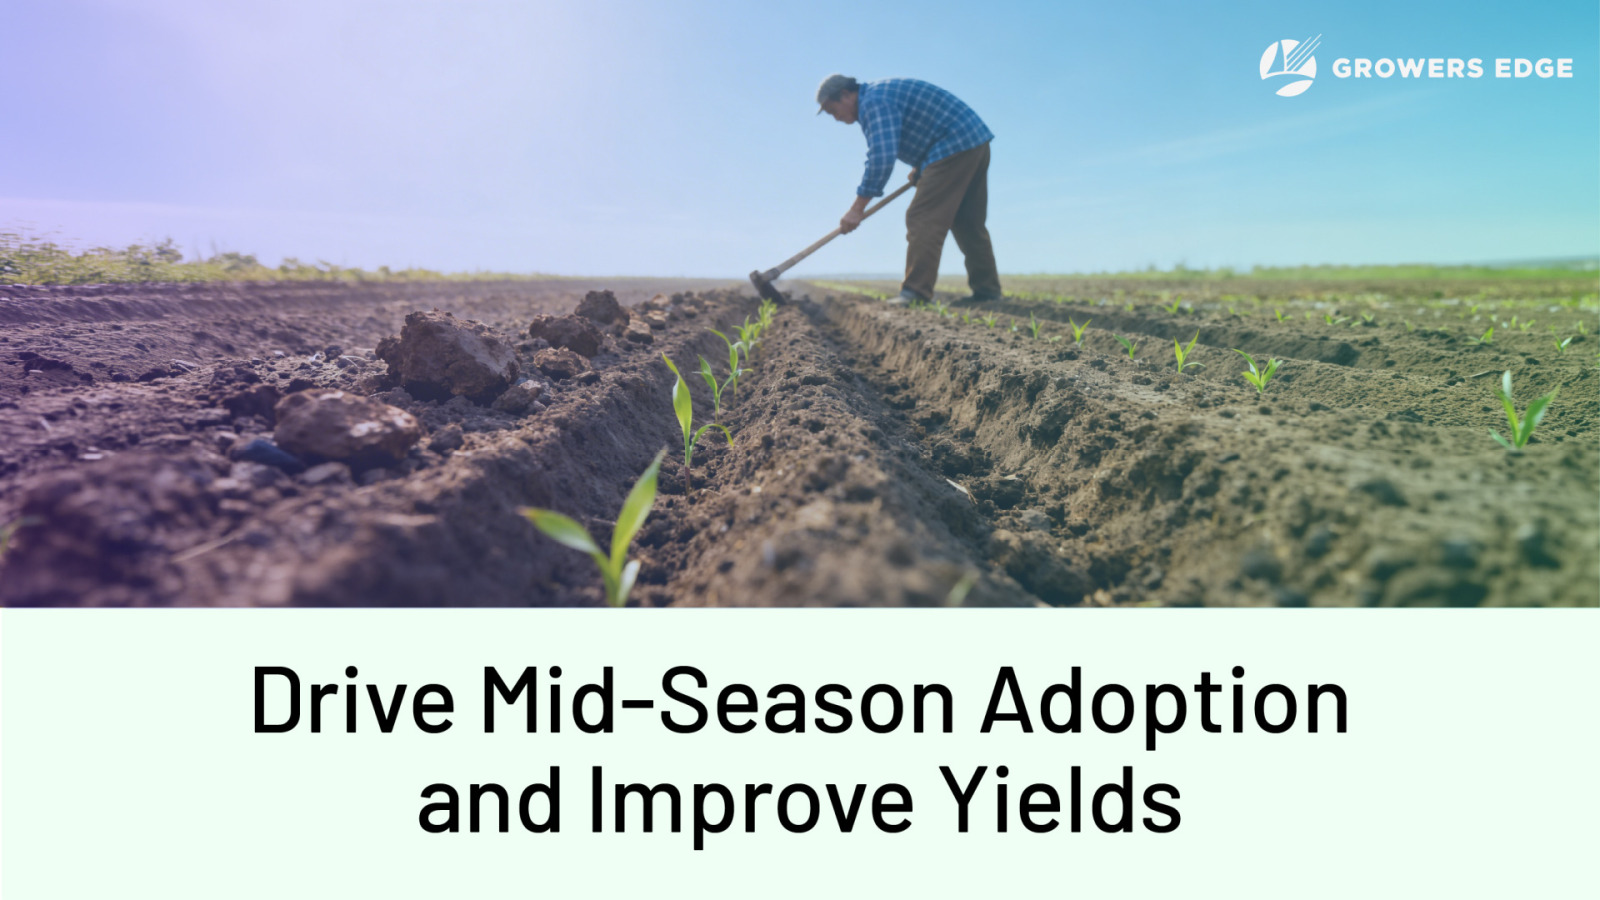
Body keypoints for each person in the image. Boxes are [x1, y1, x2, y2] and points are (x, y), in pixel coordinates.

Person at [817, 74, 1003, 305]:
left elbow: (882, 157)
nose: (835, 118)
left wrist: (857, 209)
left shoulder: (873, 102)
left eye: (832, 110)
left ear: (845, 94)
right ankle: (988, 292)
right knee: (968, 223)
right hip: (973, 141)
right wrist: (921, 166)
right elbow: (925, 126)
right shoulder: (880, 94)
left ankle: (916, 294)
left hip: (953, 145)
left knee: (922, 217)